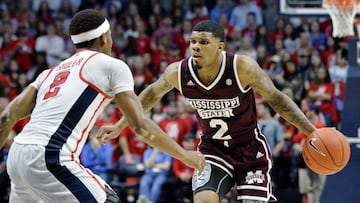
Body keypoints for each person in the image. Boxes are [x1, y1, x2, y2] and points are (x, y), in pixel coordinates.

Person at [97, 20, 317, 203]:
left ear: (220, 47)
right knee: (203, 199)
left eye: (203, 42)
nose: (196, 47)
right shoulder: (178, 72)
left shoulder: (242, 68)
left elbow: (277, 99)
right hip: (213, 151)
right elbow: (150, 95)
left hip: (250, 151)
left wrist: (311, 131)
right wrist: (119, 125)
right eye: (193, 42)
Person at [0, 9, 205, 203]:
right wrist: (186, 156)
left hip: (17, 156)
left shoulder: (50, 73)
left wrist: (119, 126)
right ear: (104, 38)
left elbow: (6, 117)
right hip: (50, 156)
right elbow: (142, 127)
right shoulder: (112, 65)